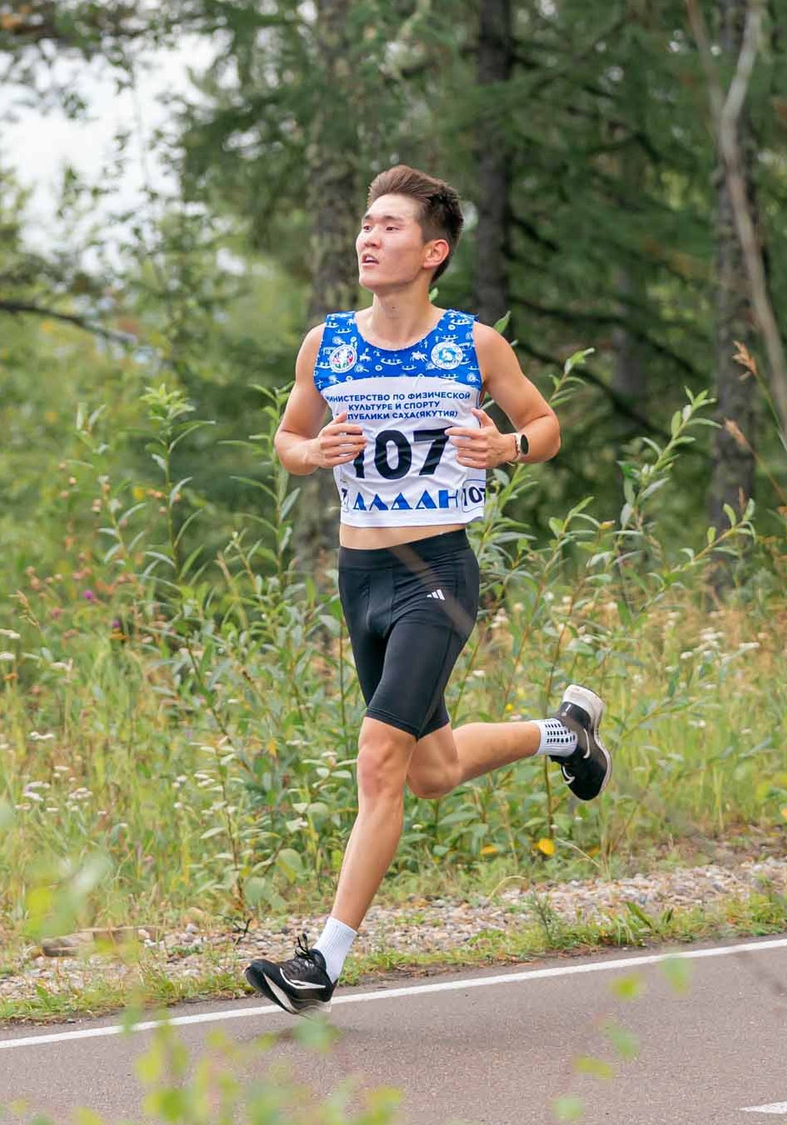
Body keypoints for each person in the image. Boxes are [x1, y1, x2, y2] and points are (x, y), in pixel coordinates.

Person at [243, 165, 609, 1015]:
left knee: (379, 760)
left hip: (437, 574)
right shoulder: (327, 343)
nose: (369, 237)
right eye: (366, 224)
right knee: (432, 771)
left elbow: (546, 424)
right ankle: (565, 734)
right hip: (360, 577)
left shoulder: (473, 345)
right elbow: (287, 438)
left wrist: (507, 448)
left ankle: (322, 963)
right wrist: (314, 452)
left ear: (433, 251)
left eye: (390, 226)